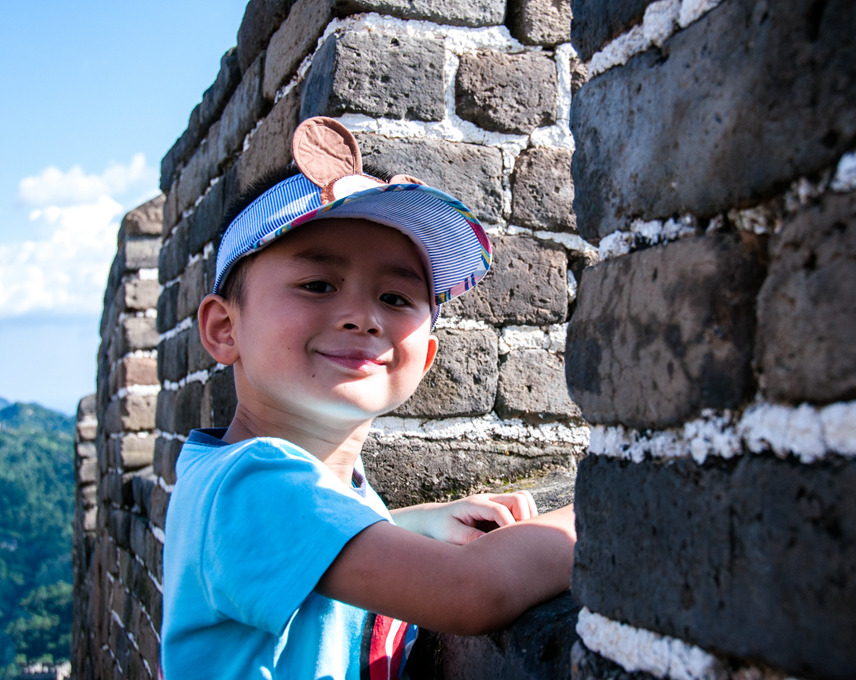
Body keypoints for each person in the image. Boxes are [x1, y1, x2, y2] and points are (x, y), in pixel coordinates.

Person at [159, 117, 576, 680]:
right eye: (318, 285)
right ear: (225, 328)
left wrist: (422, 522)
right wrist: (610, 508)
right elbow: (472, 591)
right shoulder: (250, 484)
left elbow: (324, 531)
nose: (363, 316)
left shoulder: (284, 484)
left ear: (426, 357)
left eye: (395, 296)